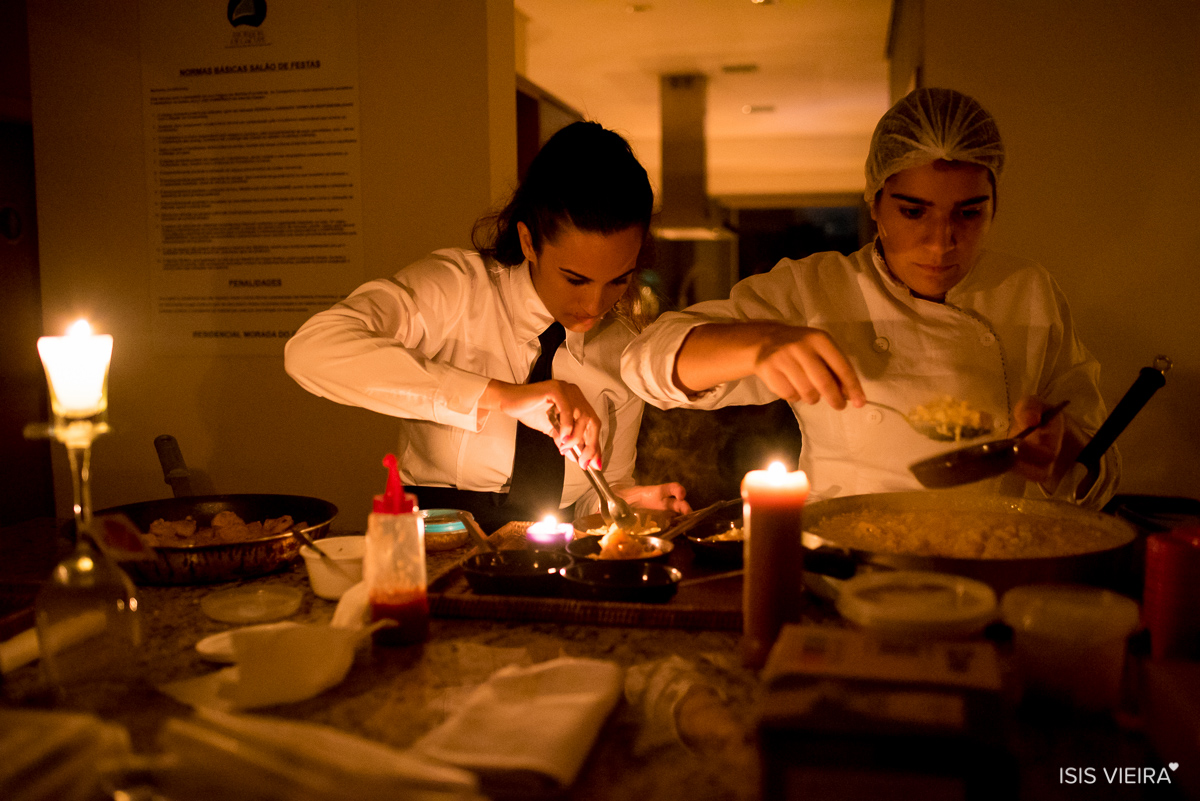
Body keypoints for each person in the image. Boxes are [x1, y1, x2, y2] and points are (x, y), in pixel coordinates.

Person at [621, 88, 1119, 508]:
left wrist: (1061, 447)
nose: (940, 242)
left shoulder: (1029, 293)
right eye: (913, 212)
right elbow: (645, 363)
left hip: (986, 560)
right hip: (842, 562)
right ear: (875, 202)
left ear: (995, 205)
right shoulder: (816, 290)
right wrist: (761, 343)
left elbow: (1100, 474)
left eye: (968, 213)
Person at [285, 121, 690, 530]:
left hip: (560, 551)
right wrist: (502, 397)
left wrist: (619, 501)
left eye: (618, 280)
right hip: (439, 539)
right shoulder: (457, 289)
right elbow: (311, 351)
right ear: (529, 242)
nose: (594, 305)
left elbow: (594, 495)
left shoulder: (625, 349)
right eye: (575, 279)